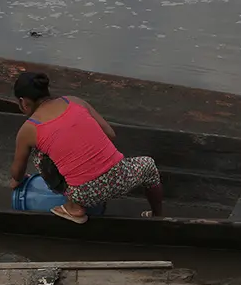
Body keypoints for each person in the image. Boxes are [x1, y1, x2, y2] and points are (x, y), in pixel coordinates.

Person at [9, 72, 164, 224]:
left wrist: (17, 180)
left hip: (82, 195)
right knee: (149, 165)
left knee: (39, 153)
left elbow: (17, 172)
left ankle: (74, 207)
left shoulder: (28, 129)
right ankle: (157, 215)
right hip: (119, 178)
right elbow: (110, 134)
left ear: (23, 102)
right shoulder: (74, 101)